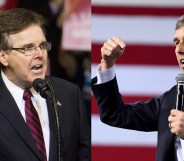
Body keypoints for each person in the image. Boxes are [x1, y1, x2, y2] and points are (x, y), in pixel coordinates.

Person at [0, 8, 90, 161]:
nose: (40, 55)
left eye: (42, 46)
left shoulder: (68, 94)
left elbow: (83, 154)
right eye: (28, 48)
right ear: (3, 56)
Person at [91, 15, 184, 161]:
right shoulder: (171, 99)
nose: (179, 49)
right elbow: (116, 114)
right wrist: (107, 64)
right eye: (177, 42)